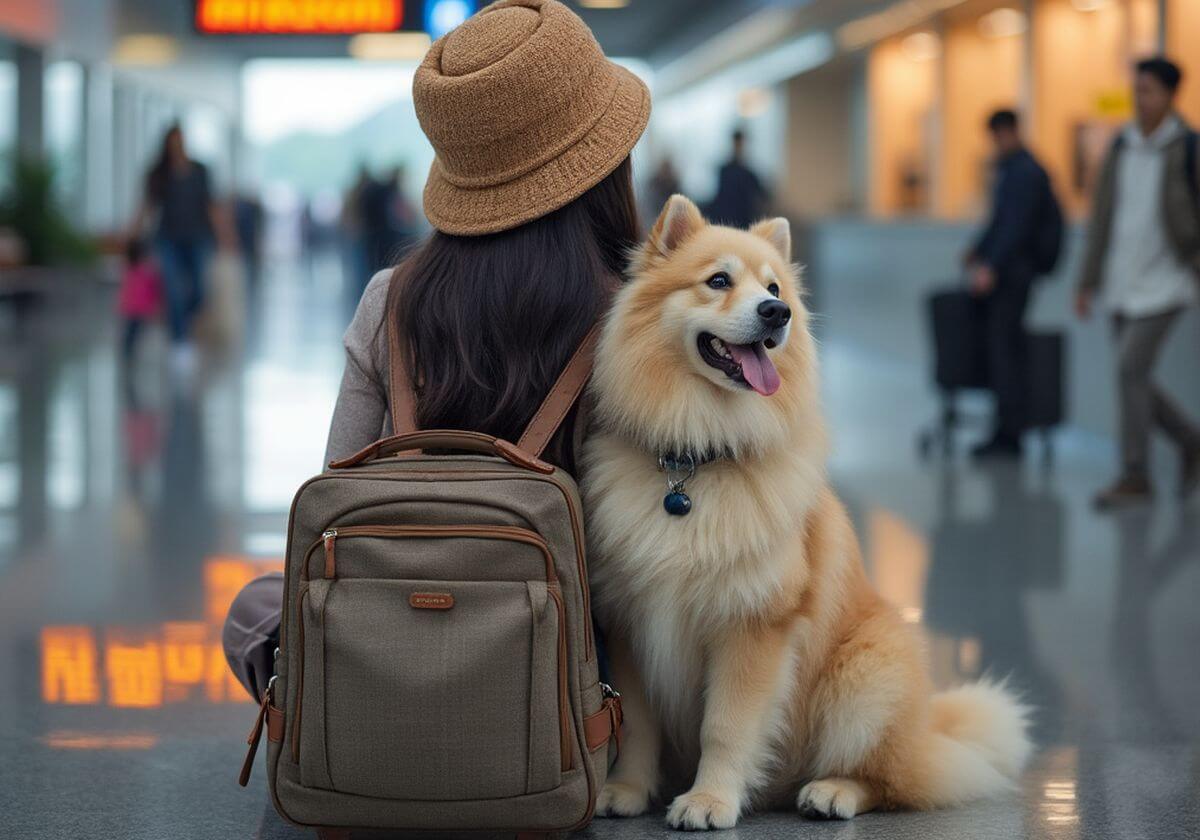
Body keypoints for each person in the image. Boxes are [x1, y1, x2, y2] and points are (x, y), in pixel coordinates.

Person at [222, 0, 649, 702]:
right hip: (569, 664)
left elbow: (337, 499)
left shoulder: (391, 300)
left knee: (255, 606)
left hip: (396, 652)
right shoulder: (631, 312)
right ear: (604, 164)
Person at [1075, 57, 1200, 509]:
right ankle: (1191, 441)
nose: (1139, 98)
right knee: (1135, 375)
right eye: (1137, 89)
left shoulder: (1187, 147)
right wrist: (1086, 281)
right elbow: (1102, 217)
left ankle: (1135, 474)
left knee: (1130, 369)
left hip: (1169, 282)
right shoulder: (1121, 145)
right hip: (1122, 282)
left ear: (1170, 95)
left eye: (1148, 90)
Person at [964, 109, 1054, 458]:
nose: (995, 144)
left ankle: (1009, 435)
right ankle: (1005, 431)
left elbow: (1016, 227)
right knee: (1003, 350)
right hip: (1010, 272)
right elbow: (1000, 222)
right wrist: (978, 251)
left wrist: (991, 266)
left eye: (997, 136)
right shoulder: (1015, 170)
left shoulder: (1024, 172)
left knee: (1005, 353)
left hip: (1013, 276)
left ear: (1007, 133)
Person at [131, 124, 229, 354]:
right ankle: (180, 341)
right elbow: (146, 207)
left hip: (198, 237)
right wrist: (132, 235)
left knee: (200, 290)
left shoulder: (200, 171)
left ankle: (181, 322)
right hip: (168, 239)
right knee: (173, 289)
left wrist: (225, 236)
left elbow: (211, 205)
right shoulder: (158, 174)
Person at [705, 128, 768, 229]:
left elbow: (763, 195)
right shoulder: (724, 170)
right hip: (725, 218)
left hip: (742, 219)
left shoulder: (748, 173)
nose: (739, 146)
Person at [116, 238, 162, 361]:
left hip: (132, 309)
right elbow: (155, 291)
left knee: (131, 332)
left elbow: (124, 290)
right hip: (140, 309)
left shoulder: (128, 269)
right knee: (135, 332)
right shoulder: (148, 271)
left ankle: (128, 351)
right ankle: (129, 351)